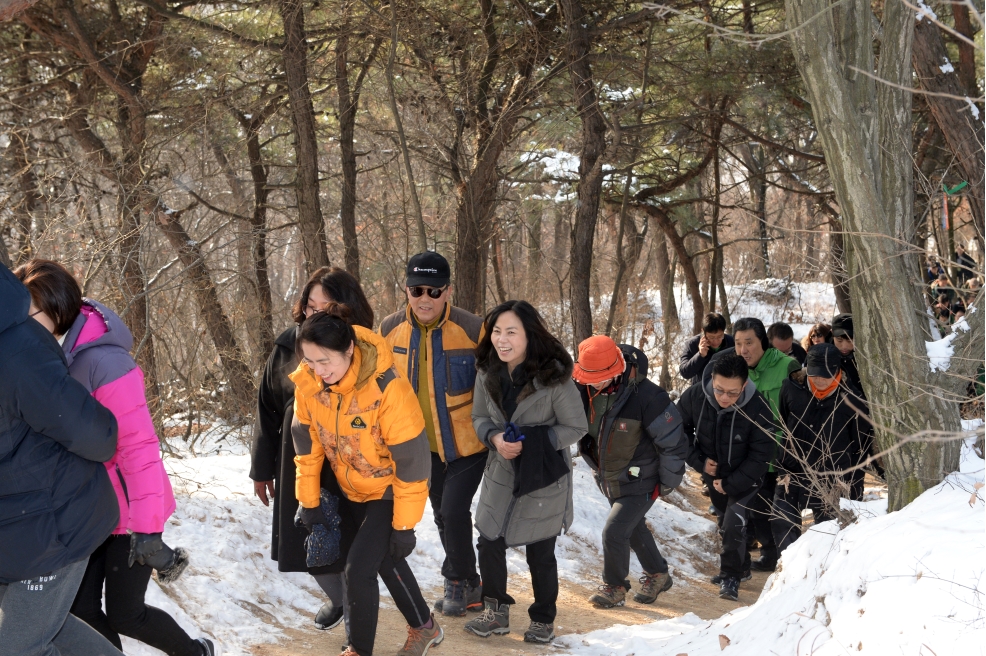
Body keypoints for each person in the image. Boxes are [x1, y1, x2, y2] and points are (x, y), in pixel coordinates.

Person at [14, 260, 216, 656]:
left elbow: (138, 449)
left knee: (126, 614)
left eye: (29, 313)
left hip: (128, 516)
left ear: (56, 307)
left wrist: (147, 527)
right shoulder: (46, 357)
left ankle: (195, 653)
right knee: (81, 611)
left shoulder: (105, 362)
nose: (22, 323)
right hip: (85, 512)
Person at [291, 305, 440, 656]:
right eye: (310, 360)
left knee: (357, 570)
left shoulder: (389, 389)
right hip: (349, 486)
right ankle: (426, 628)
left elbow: (413, 463)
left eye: (325, 361)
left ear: (350, 350)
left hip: (389, 487)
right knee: (384, 560)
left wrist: (404, 526)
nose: (318, 370)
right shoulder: (308, 384)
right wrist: (308, 501)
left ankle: (357, 650)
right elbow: (307, 449)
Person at [0, 261, 124, 656]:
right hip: (16, 525)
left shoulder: (15, 348)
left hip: (55, 522)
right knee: (40, 625)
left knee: (19, 647)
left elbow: (100, 435)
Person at [250, 267, 367, 637]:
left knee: (348, 545)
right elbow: (267, 407)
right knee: (308, 542)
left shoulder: (364, 347)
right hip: (299, 461)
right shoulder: (288, 344)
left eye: (327, 307)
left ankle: (357, 622)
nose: (315, 315)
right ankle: (341, 600)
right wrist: (261, 468)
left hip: (350, 461)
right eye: (310, 307)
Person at [465, 301, 588, 643]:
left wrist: (534, 441)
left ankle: (543, 618)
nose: (501, 340)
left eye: (511, 332)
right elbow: (478, 417)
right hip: (501, 469)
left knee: (540, 550)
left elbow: (576, 426)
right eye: (496, 332)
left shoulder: (555, 377)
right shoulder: (487, 370)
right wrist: (493, 436)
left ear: (529, 335)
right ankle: (496, 611)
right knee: (488, 540)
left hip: (543, 474)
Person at [380, 252, 487, 616]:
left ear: (448, 291)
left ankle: (455, 579)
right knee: (444, 515)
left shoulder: (473, 329)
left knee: (454, 511)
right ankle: (471, 583)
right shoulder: (389, 330)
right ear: (406, 290)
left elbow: (497, 383)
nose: (424, 298)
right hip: (419, 447)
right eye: (416, 290)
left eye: (434, 291)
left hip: (468, 444)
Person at [572, 335, 687, 609]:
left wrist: (668, 482)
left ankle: (614, 587)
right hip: (609, 477)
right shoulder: (582, 388)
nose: (592, 384)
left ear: (616, 370)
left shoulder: (649, 397)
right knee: (631, 527)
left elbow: (673, 444)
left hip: (643, 479)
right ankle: (658, 574)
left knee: (614, 531)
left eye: (598, 378)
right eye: (587, 378)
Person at [678, 352, 775, 601]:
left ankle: (730, 575)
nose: (724, 398)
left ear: (744, 385)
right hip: (713, 472)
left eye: (733, 393)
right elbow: (679, 431)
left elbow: (761, 455)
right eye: (720, 390)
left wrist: (731, 483)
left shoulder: (759, 408)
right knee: (726, 522)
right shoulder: (695, 395)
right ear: (712, 378)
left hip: (746, 477)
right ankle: (741, 567)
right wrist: (699, 461)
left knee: (734, 523)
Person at [774, 343, 873, 551]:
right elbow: (782, 422)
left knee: (829, 534)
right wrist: (782, 463)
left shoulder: (852, 400)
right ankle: (788, 572)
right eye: (814, 374)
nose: (819, 380)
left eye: (825, 375)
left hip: (832, 476)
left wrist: (852, 490)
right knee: (782, 523)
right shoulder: (791, 388)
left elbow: (859, 446)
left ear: (838, 371)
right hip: (793, 471)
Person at [730, 317, 800, 573]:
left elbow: (799, 414)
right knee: (758, 512)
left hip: (783, 457)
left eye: (749, 342)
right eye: (738, 343)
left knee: (783, 513)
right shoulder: (736, 370)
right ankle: (769, 556)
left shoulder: (787, 365)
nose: (743, 350)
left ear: (764, 342)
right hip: (753, 457)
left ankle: (791, 564)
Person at [679, 312, 734, 385]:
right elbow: (685, 373)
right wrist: (700, 355)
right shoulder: (692, 344)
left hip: (726, 388)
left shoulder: (732, 342)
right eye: (711, 337)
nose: (716, 341)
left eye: (720, 336)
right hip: (700, 390)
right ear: (703, 331)